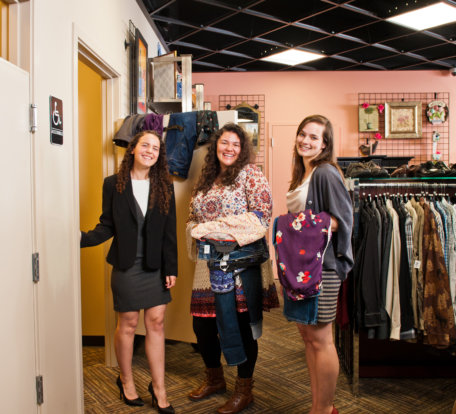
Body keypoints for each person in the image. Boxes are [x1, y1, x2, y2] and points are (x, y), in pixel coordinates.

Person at [80, 130, 177, 414]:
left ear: (159, 156)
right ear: (132, 149)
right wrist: (79, 238)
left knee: (156, 322)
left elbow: (169, 231)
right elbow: (106, 225)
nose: (150, 150)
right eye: (145, 145)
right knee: (129, 324)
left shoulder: (165, 186)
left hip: (155, 266)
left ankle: (159, 387)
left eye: (155, 148)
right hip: (125, 265)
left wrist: (171, 267)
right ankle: (126, 380)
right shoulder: (113, 184)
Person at [186, 123, 279, 414]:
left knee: (240, 326)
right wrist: (198, 230)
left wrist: (212, 228)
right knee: (202, 325)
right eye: (225, 143)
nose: (229, 148)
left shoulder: (251, 175)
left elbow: (261, 217)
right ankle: (214, 379)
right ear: (216, 146)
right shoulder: (207, 177)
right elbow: (192, 218)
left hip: (240, 264)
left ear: (243, 150)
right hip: (206, 264)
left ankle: (244, 389)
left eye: (236, 145)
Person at [284, 115, 353, 414]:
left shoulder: (325, 173)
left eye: (314, 137)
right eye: (302, 134)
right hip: (302, 267)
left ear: (325, 144)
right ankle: (318, 405)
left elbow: (344, 220)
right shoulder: (304, 173)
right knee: (309, 337)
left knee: (322, 339)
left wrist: (294, 226)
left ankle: (324, 409)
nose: (306, 141)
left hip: (322, 268)